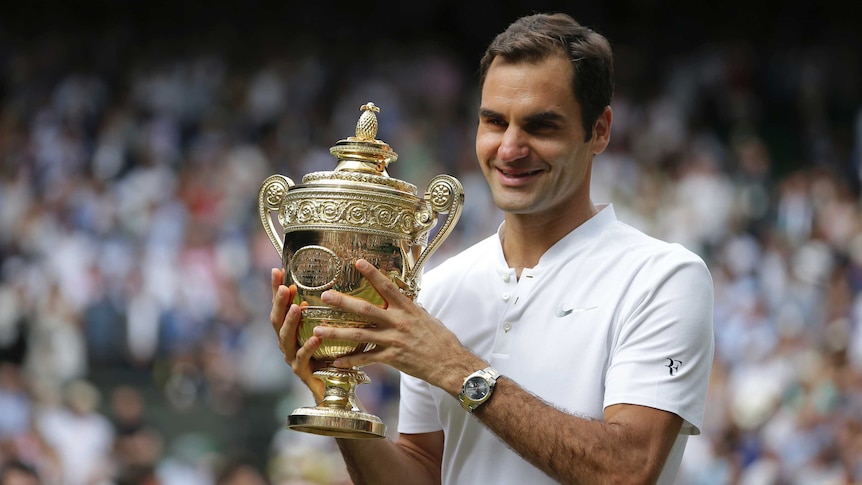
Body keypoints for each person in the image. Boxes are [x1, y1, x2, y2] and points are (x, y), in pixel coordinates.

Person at [270, 12, 714, 485]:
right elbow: (421, 472)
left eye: (541, 126)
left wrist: (457, 369)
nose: (509, 148)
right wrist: (339, 406)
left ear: (599, 130)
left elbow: (626, 471)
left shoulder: (664, 277)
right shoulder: (438, 287)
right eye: (495, 122)